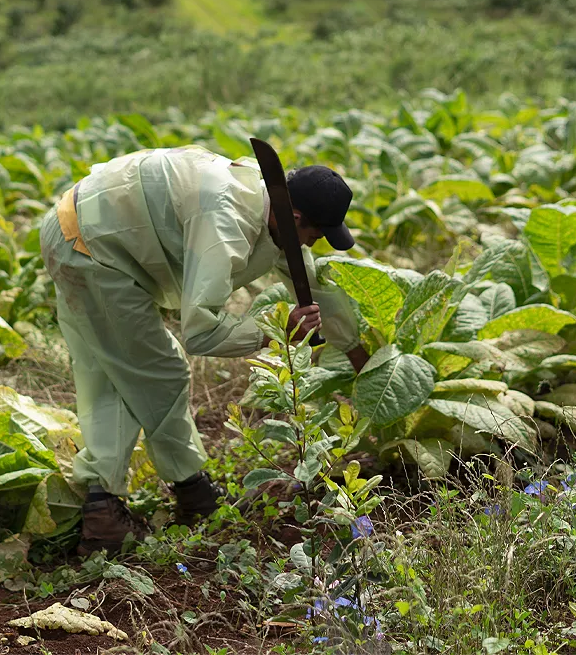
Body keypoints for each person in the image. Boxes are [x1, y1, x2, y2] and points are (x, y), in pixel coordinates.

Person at [39, 144, 370, 555]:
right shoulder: (227, 220)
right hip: (90, 245)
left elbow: (315, 285)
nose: (313, 245)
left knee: (118, 370)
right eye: (314, 236)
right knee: (154, 369)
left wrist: (358, 353)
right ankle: (129, 504)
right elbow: (200, 330)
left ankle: (139, 498)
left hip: (89, 228)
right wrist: (274, 334)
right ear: (295, 217)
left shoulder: (271, 205)